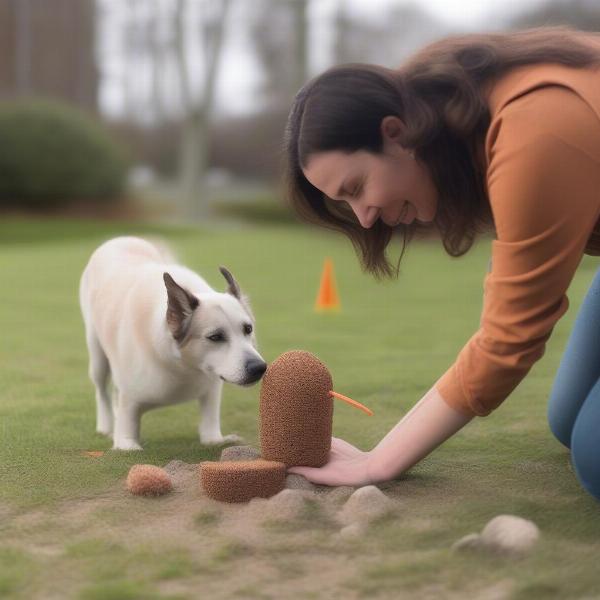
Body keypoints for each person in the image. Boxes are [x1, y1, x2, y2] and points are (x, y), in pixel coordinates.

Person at [283, 27, 600, 500]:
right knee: (567, 420)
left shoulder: (534, 128)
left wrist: (380, 461)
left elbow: (509, 338)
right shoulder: (470, 124)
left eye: (355, 188)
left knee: (593, 455)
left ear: (395, 133)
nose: (365, 219)